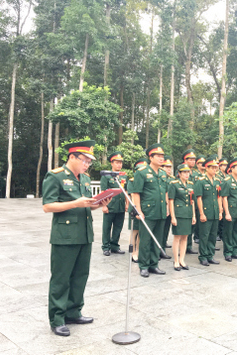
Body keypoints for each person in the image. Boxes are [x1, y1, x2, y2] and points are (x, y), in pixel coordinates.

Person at [42, 140, 111, 337]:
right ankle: (57, 319)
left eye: (90, 162)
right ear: (72, 157)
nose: (87, 164)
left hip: (84, 234)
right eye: (85, 160)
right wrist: (75, 203)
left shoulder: (86, 179)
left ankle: (73, 312)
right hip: (64, 236)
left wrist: (99, 203)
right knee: (61, 278)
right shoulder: (55, 176)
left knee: (80, 276)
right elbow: (47, 206)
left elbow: (87, 205)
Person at [131, 143, 169, 277]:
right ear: (150, 157)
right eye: (158, 156)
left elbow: (165, 192)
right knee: (145, 240)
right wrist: (138, 211)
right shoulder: (142, 172)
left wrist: (167, 207)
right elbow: (136, 193)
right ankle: (144, 265)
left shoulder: (163, 174)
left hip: (161, 211)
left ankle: (154, 264)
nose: (161, 158)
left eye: (162, 156)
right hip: (147, 212)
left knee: (157, 239)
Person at [195, 155, 223, 266]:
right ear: (206, 168)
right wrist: (201, 213)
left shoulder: (217, 181)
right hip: (205, 212)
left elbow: (219, 197)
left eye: (216, 168)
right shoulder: (201, 181)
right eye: (212, 168)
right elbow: (199, 198)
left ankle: (210, 255)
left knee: (213, 235)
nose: (215, 170)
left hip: (215, 212)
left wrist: (220, 211)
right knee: (204, 235)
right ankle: (203, 256)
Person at [168, 164, 196, 271]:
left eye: (188, 172)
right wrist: (173, 216)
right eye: (184, 172)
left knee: (185, 237)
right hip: (178, 214)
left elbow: (192, 201)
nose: (186, 174)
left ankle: (182, 260)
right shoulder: (174, 184)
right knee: (177, 237)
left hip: (188, 214)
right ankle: (176, 261)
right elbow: (171, 201)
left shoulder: (191, 184)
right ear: (179, 173)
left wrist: (193, 215)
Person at [101, 151, 128, 256]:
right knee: (107, 228)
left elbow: (125, 191)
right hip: (110, 206)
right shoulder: (106, 176)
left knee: (118, 227)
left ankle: (115, 246)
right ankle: (106, 247)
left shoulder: (123, 176)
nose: (119, 165)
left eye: (120, 162)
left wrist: (127, 204)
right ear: (111, 163)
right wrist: (104, 205)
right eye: (117, 162)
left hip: (121, 206)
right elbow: (103, 192)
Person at [221, 158, 237, 262]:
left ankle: (234, 251)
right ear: (232, 168)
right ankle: (228, 252)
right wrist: (226, 213)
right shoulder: (227, 181)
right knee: (228, 233)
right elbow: (224, 198)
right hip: (231, 211)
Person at [127, 157, 148, 263]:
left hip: (143, 209)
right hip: (135, 209)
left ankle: (138, 251)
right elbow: (133, 195)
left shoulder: (147, 181)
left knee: (141, 232)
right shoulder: (132, 181)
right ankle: (133, 252)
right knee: (134, 231)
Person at [182, 149, 200, 254]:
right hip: (186, 202)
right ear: (185, 160)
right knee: (185, 226)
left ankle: (189, 245)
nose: (193, 162)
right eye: (190, 160)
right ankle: (185, 245)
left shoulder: (196, 173)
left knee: (193, 225)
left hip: (195, 201)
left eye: (194, 160)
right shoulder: (181, 171)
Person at [161, 156, 174, 258]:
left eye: (170, 167)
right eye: (166, 167)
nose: (169, 169)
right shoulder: (160, 178)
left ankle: (162, 248)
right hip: (161, 207)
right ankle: (158, 249)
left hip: (170, 208)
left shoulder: (173, 180)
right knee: (159, 230)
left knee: (165, 230)